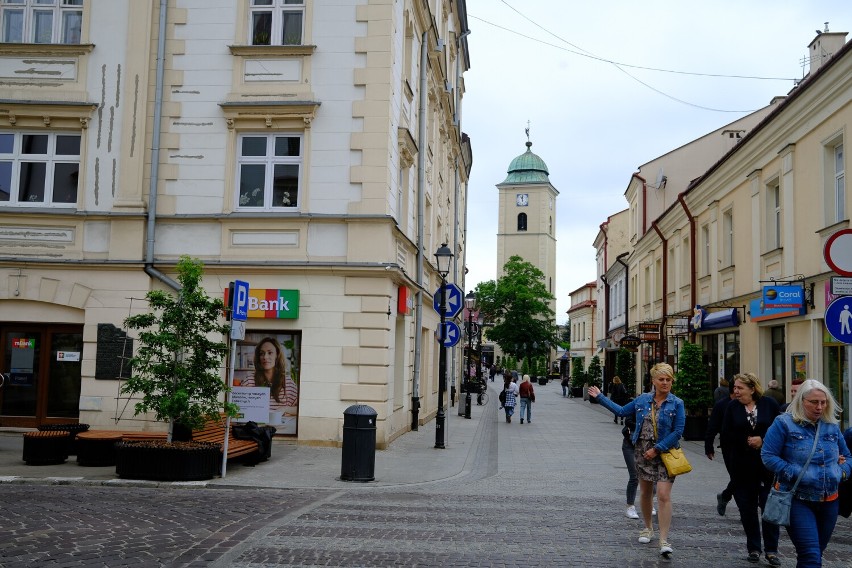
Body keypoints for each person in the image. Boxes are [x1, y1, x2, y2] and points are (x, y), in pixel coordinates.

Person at [589, 362, 685, 558]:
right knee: (646, 492)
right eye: (662, 379)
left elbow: (678, 431)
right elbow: (622, 411)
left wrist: (657, 449)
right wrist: (599, 397)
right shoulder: (643, 400)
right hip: (642, 451)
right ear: (654, 381)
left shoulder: (677, 403)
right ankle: (648, 528)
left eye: (669, 379)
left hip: (665, 454)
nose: (665, 383)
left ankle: (664, 539)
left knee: (664, 495)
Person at [762, 380, 852, 568]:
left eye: (823, 402)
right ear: (801, 400)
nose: (819, 407)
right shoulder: (784, 423)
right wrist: (796, 473)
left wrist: (840, 473)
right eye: (814, 402)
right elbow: (768, 456)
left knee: (816, 554)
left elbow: (848, 456)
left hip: (830, 500)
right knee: (810, 555)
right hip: (797, 498)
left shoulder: (831, 426)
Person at [721, 373, 781, 565]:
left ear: (752, 388)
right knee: (747, 511)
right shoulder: (732, 407)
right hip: (741, 469)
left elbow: (779, 431)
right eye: (735, 388)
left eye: (740, 388)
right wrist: (732, 465)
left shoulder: (769, 404)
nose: (735, 391)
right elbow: (726, 437)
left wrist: (762, 440)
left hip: (767, 469)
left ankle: (771, 550)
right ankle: (754, 547)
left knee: (768, 509)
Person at [242, 337, 298, 411]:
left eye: (270, 353)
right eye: (261, 353)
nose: (265, 357)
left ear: (277, 355)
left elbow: (301, 409)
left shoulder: (287, 382)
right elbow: (239, 409)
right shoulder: (249, 381)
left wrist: (286, 409)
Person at [705, 389, 737, 516]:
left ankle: (725, 496)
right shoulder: (722, 405)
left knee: (742, 478)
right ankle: (744, 509)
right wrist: (709, 447)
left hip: (750, 448)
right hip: (729, 447)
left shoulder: (753, 404)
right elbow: (713, 426)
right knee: (737, 477)